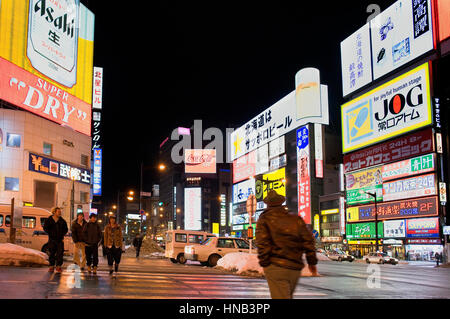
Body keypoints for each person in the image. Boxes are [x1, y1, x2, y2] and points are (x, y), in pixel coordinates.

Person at [255, 190, 318, 299]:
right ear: (281, 203)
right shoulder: (295, 219)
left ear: (268, 204)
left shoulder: (264, 219)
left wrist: (265, 262)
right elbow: (308, 241)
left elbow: (262, 243)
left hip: (275, 266)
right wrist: (311, 262)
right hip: (294, 268)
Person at [43, 207, 68, 273]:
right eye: (58, 212)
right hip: (52, 239)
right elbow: (45, 227)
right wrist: (50, 233)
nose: (60, 213)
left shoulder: (62, 220)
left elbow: (66, 229)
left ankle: (58, 266)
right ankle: (51, 266)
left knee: (60, 253)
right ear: (54, 212)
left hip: (60, 240)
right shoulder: (49, 220)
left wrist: (62, 234)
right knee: (51, 253)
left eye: (60, 212)